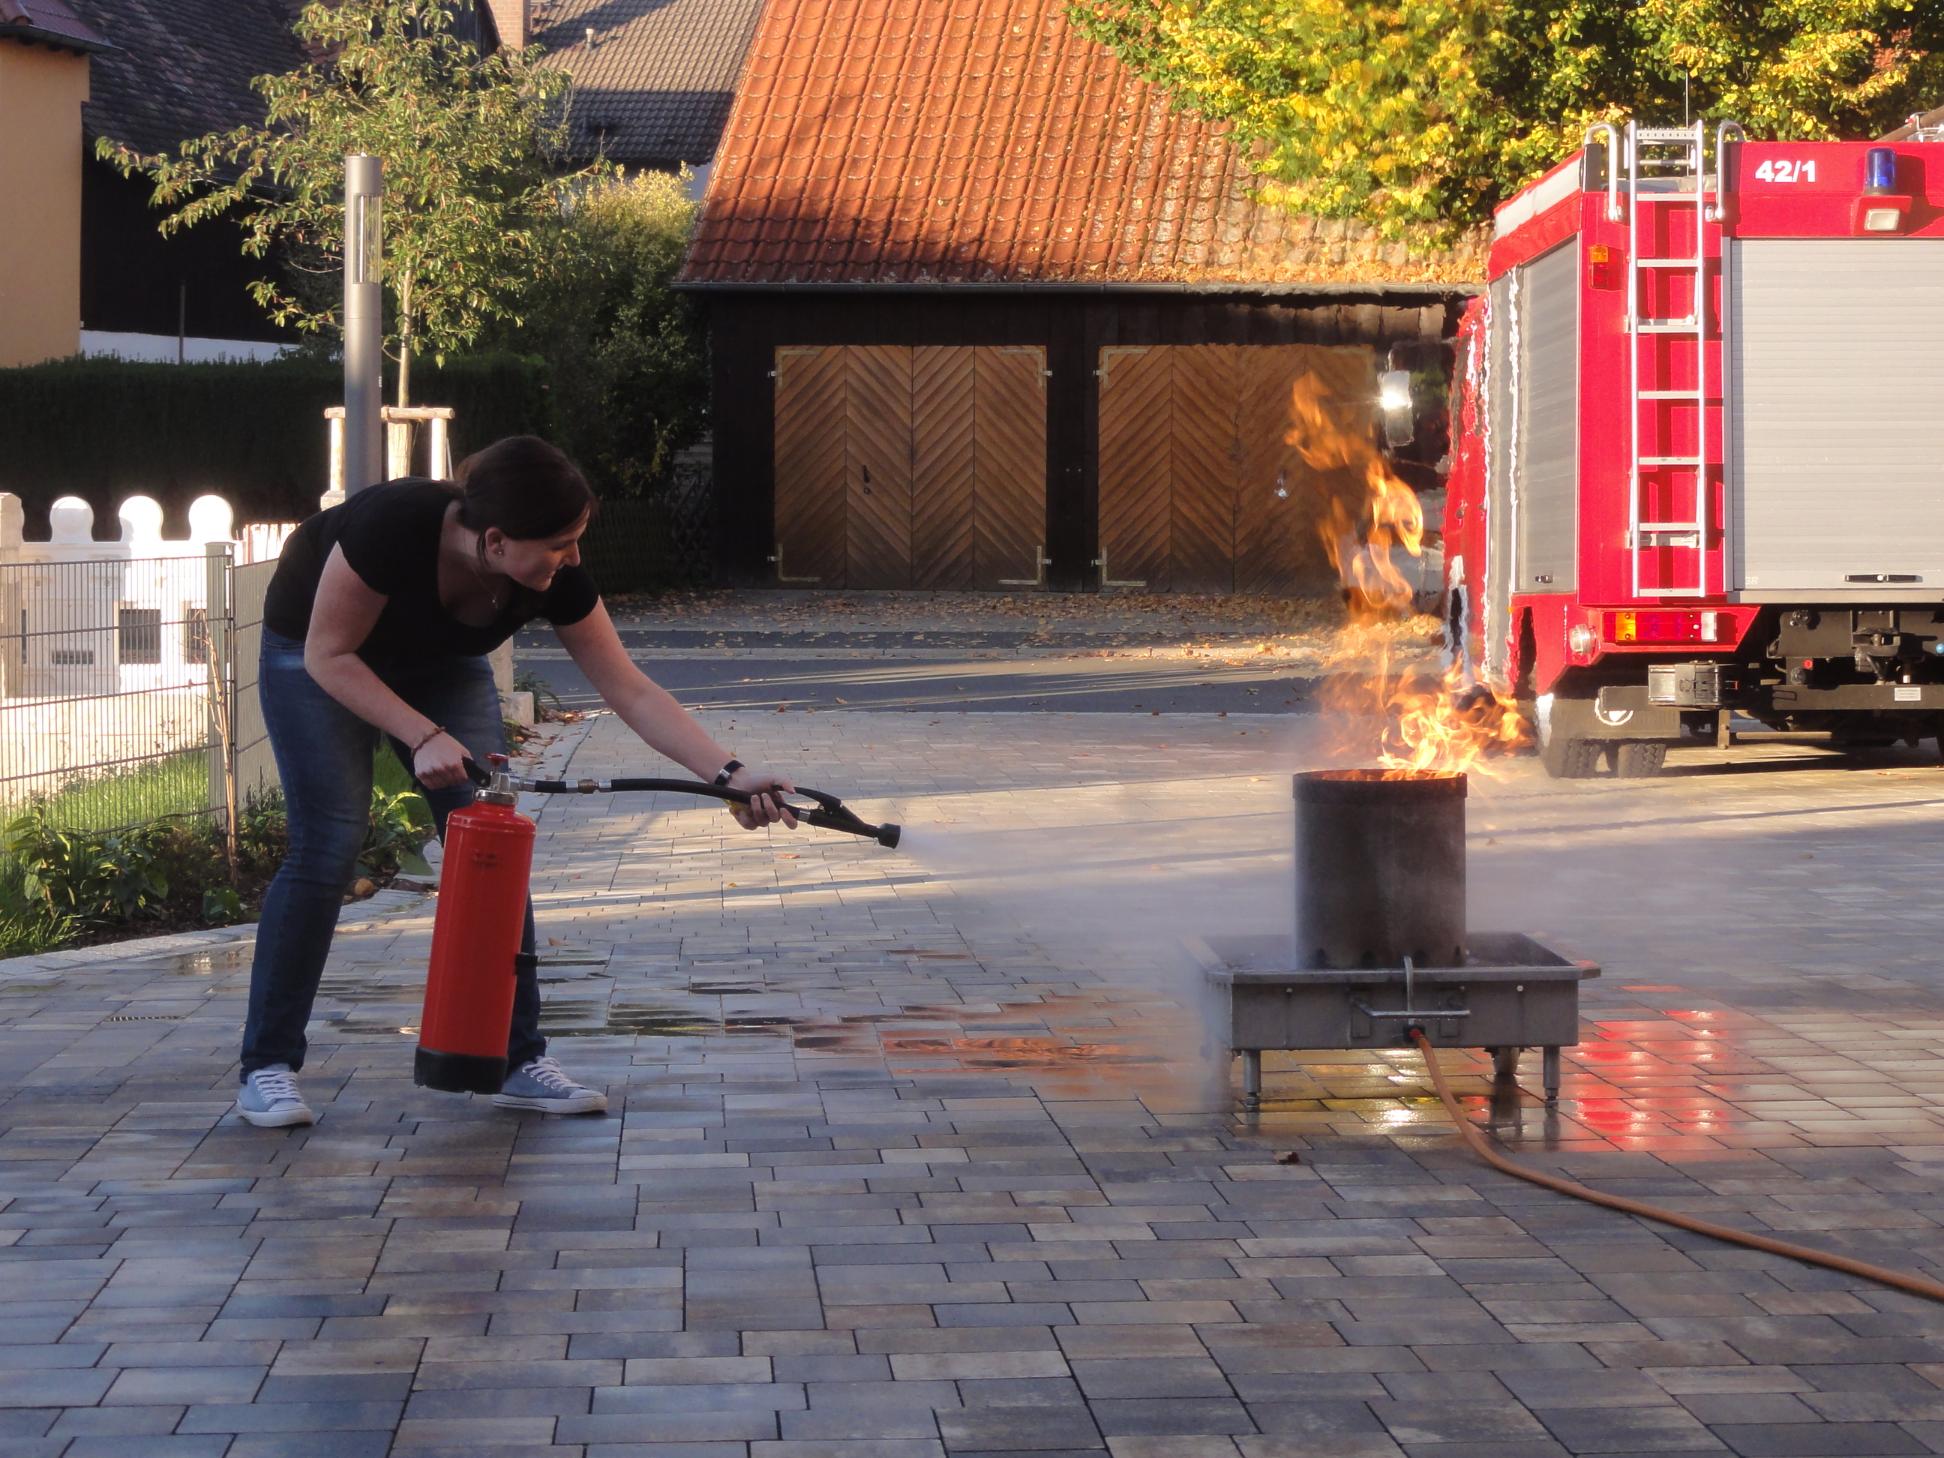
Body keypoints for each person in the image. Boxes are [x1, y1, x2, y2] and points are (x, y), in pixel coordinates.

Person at [237, 435, 796, 1127]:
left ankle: (516, 1059)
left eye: (576, 540)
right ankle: (266, 1067)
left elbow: (631, 690)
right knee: (329, 845)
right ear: (495, 542)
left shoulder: (556, 580)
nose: (574, 558)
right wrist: (421, 733)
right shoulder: (390, 527)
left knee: (489, 841)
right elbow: (330, 653)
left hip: (438, 663)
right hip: (319, 655)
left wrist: (730, 774)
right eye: (560, 543)